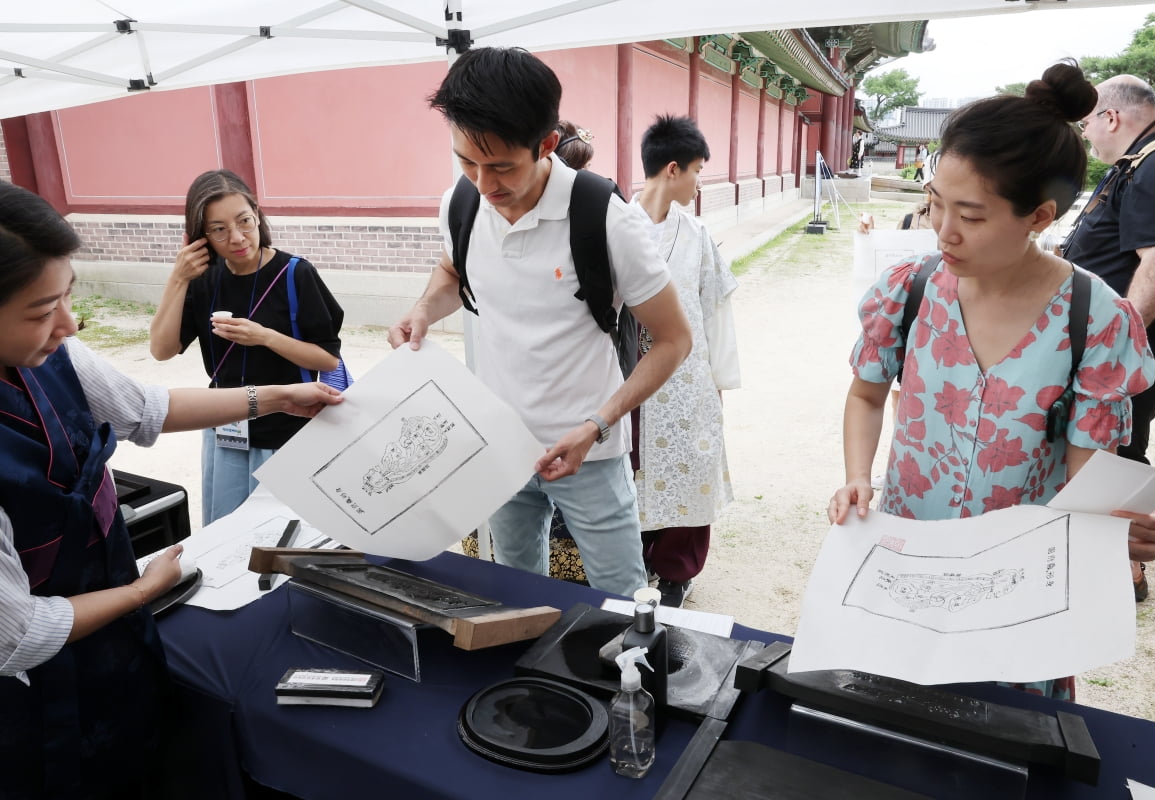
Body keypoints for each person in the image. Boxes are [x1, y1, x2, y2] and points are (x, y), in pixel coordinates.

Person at [828, 62, 1155, 700]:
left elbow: (1084, 477)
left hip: (1018, 582)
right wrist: (857, 473)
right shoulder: (910, 290)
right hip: (908, 554)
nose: (943, 231)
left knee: (999, 733)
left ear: (1038, 217)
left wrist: (1114, 528)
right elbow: (866, 394)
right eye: (935, 204)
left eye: (972, 216)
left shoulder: (1094, 318)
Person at [0, 180, 342, 799]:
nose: (69, 326)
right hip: (32, 681)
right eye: (41, 311)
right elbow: (16, 633)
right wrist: (138, 592)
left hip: (108, 618)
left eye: (67, 299)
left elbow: (145, 408)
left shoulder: (57, 354)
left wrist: (280, 395)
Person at [387, 47, 690, 599]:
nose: (483, 182)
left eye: (501, 166)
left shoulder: (607, 219)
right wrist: (424, 308)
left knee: (619, 598)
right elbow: (453, 270)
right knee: (516, 587)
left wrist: (596, 426)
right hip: (499, 443)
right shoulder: (460, 203)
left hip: (589, 450)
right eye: (465, 162)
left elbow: (674, 340)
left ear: (547, 144)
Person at [1062, 75, 1155, 601]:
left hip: (1139, 342)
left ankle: (1125, 567)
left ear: (1111, 118)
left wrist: (1122, 339)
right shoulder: (1146, 161)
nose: (1089, 134)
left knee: (1116, 444)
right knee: (1108, 440)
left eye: (1088, 122)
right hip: (1130, 339)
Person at [149, 170, 346, 525]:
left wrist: (264, 336)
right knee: (227, 538)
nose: (237, 237)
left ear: (257, 214)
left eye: (244, 221)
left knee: (284, 539)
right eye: (219, 229)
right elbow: (162, 350)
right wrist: (178, 278)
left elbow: (326, 357)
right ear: (201, 235)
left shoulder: (294, 274)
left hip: (287, 431)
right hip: (226, 432)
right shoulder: (205, 279)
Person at [630, 114, 740, 607]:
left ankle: (677, 572)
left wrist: (718, 378)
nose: (700, 183)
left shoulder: (696, 235)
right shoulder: (616, 227)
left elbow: (715, 309)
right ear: (672, 169)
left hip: (687, 376)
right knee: (631, 474)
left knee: (690, 471)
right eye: (698, 170)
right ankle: (634, 564)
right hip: (631, 378)